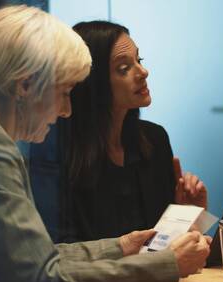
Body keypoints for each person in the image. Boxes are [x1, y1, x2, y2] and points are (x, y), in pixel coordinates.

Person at [0, 6, 209, 282]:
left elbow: (37, 259)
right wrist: (165, 266)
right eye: (64, 93)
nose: (66, 110)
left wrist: (119, 247)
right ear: (26, 85)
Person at [54, 21, 208, 243]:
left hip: (160, 278)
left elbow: (162, 249)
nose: (143, 72)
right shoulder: (61, 153)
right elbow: (66, 258)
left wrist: (187, 216)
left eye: (139, 60)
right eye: (124, 68)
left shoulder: (154, 139)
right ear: (92, 81)